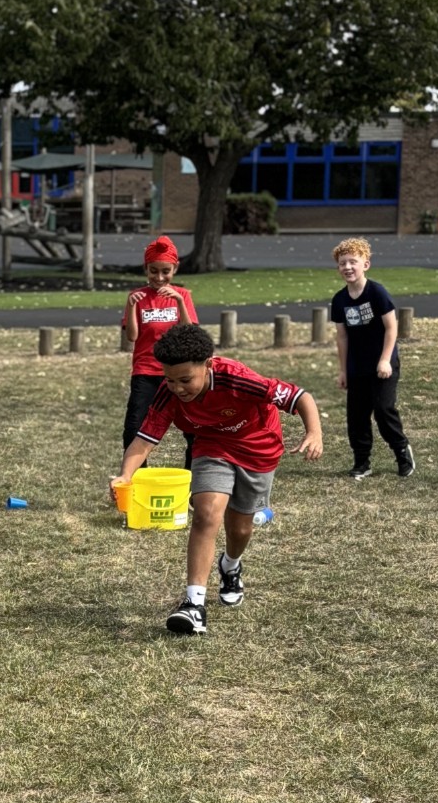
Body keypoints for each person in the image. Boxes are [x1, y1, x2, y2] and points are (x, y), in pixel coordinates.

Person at [115, 322, 322, 637]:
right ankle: (194, 605)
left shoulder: (238, 379)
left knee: (240, 528)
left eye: (185, 380)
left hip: (259, 448)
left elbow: (298, 396)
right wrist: (125, 476)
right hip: (212, 446)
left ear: (208, 365)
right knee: (207, 515)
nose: (177, 388)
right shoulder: (167, 393)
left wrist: (314, 432)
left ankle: (231, 565)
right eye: (170, 380)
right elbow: (144, 439)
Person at [329, 236, 414, 479]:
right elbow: (342, 337)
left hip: (382, 364)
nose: (347, 267)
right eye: (342, 263)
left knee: (383, 409)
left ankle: (401, 452)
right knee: (356, 416)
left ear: (365, 264)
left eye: (353, 262)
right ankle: (362, 461)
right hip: (357, 366)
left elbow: (391, 328)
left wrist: (385, 360)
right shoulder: (339, 300)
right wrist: (343, 370)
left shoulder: (376, 292)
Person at [120, 235, 198, 448]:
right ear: (146, 268)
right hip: (146, 372)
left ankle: (194, 474)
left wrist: (180, 301)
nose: (160, 277)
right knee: (134, 427)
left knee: (193, 427)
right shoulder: (136, 296)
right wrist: (132, 306)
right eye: (154, 271)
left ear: (175, 269)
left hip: (179, 371)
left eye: (166, 271)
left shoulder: (182, 294)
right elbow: (132, 337)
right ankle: (135, 476)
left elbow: (189, 333)